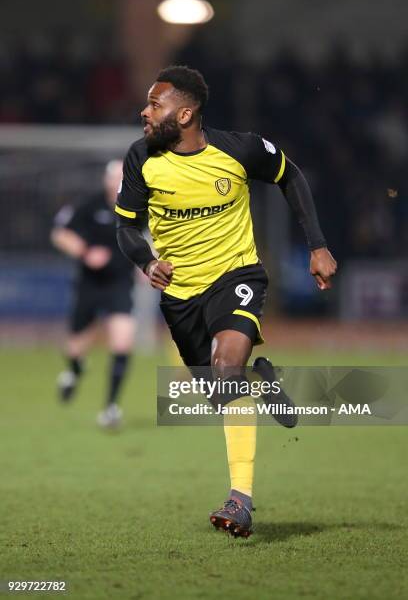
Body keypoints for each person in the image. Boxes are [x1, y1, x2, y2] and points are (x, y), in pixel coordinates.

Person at [115, 66, 337, 536]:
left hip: (237, 275)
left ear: (187, 112)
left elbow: (290, 175)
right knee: (220, 390)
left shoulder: (239, 150)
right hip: (180, 294)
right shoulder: (141, 159)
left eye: (156, 104)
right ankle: (263, 383)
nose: (145, 111)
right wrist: (146, 261)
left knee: (225, 367)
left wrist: (317, 245)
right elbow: (126, 227)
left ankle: (240, 500)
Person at [51, 160, 136, 428]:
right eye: (116, 178)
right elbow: (60, 234)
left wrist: (152, 265)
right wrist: (86, 253)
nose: (120, 182)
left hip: (120, 284)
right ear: (107, 180)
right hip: (90, 284)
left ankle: (111, 407)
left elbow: (151, 238)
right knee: (76, 346)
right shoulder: (88, 205)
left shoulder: (139, 207)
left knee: (122, 342)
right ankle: (74, 370)